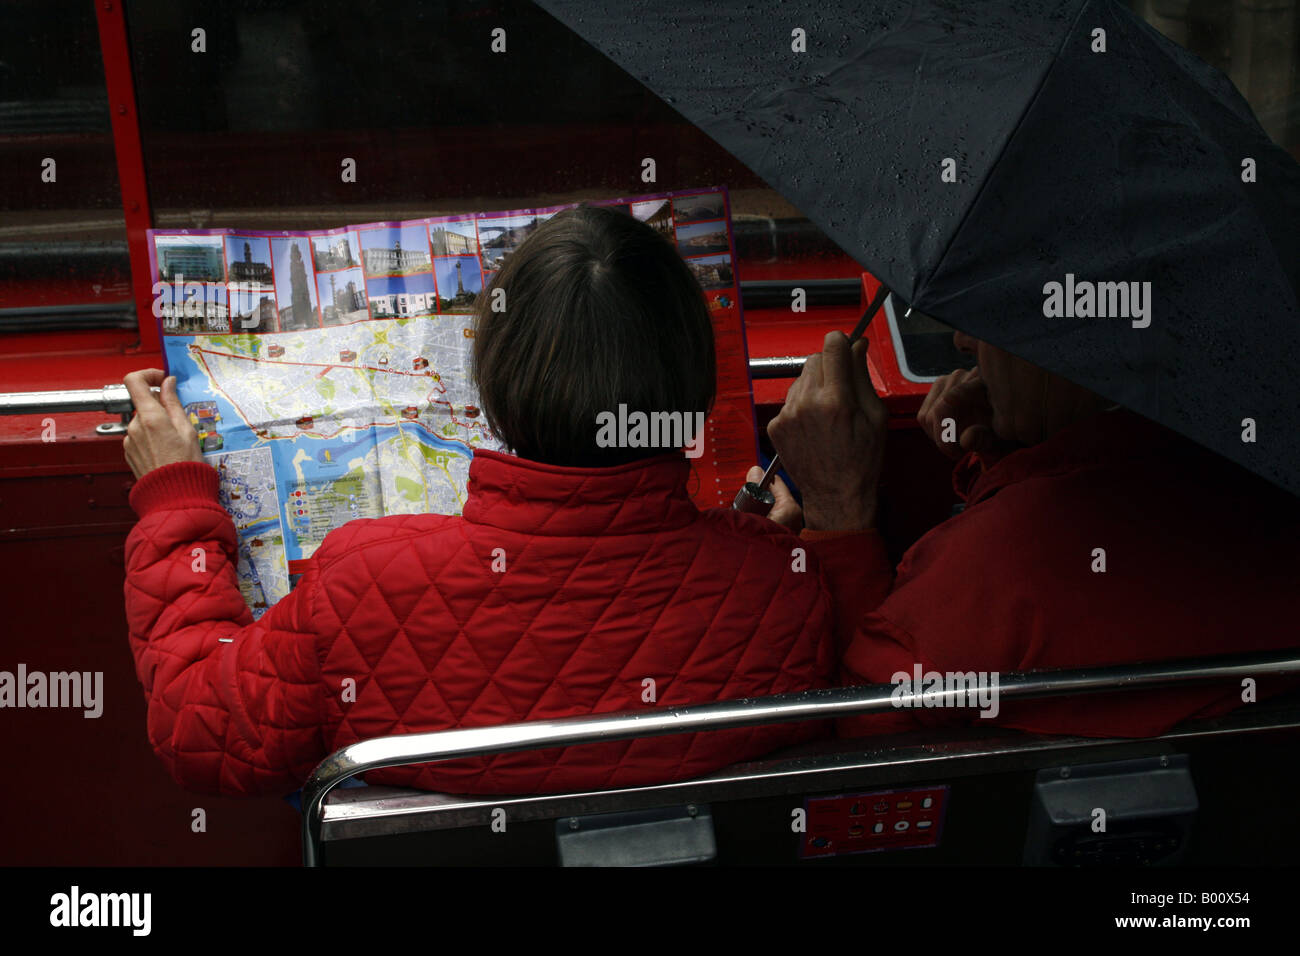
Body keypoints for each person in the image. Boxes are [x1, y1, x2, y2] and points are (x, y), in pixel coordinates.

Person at [121, 205, 835, 797]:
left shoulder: (362, 585)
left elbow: (197, 725)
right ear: (694, 390)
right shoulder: (785, 586)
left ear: (491, 386)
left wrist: (173, 502)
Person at [760, 328, 1300, 738]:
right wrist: (1019, 451)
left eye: (993, 322)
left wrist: (836, 508)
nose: (963, 340)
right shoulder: (1256, 470)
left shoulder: (1004, 562)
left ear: (1071, 350)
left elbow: (860, 721)